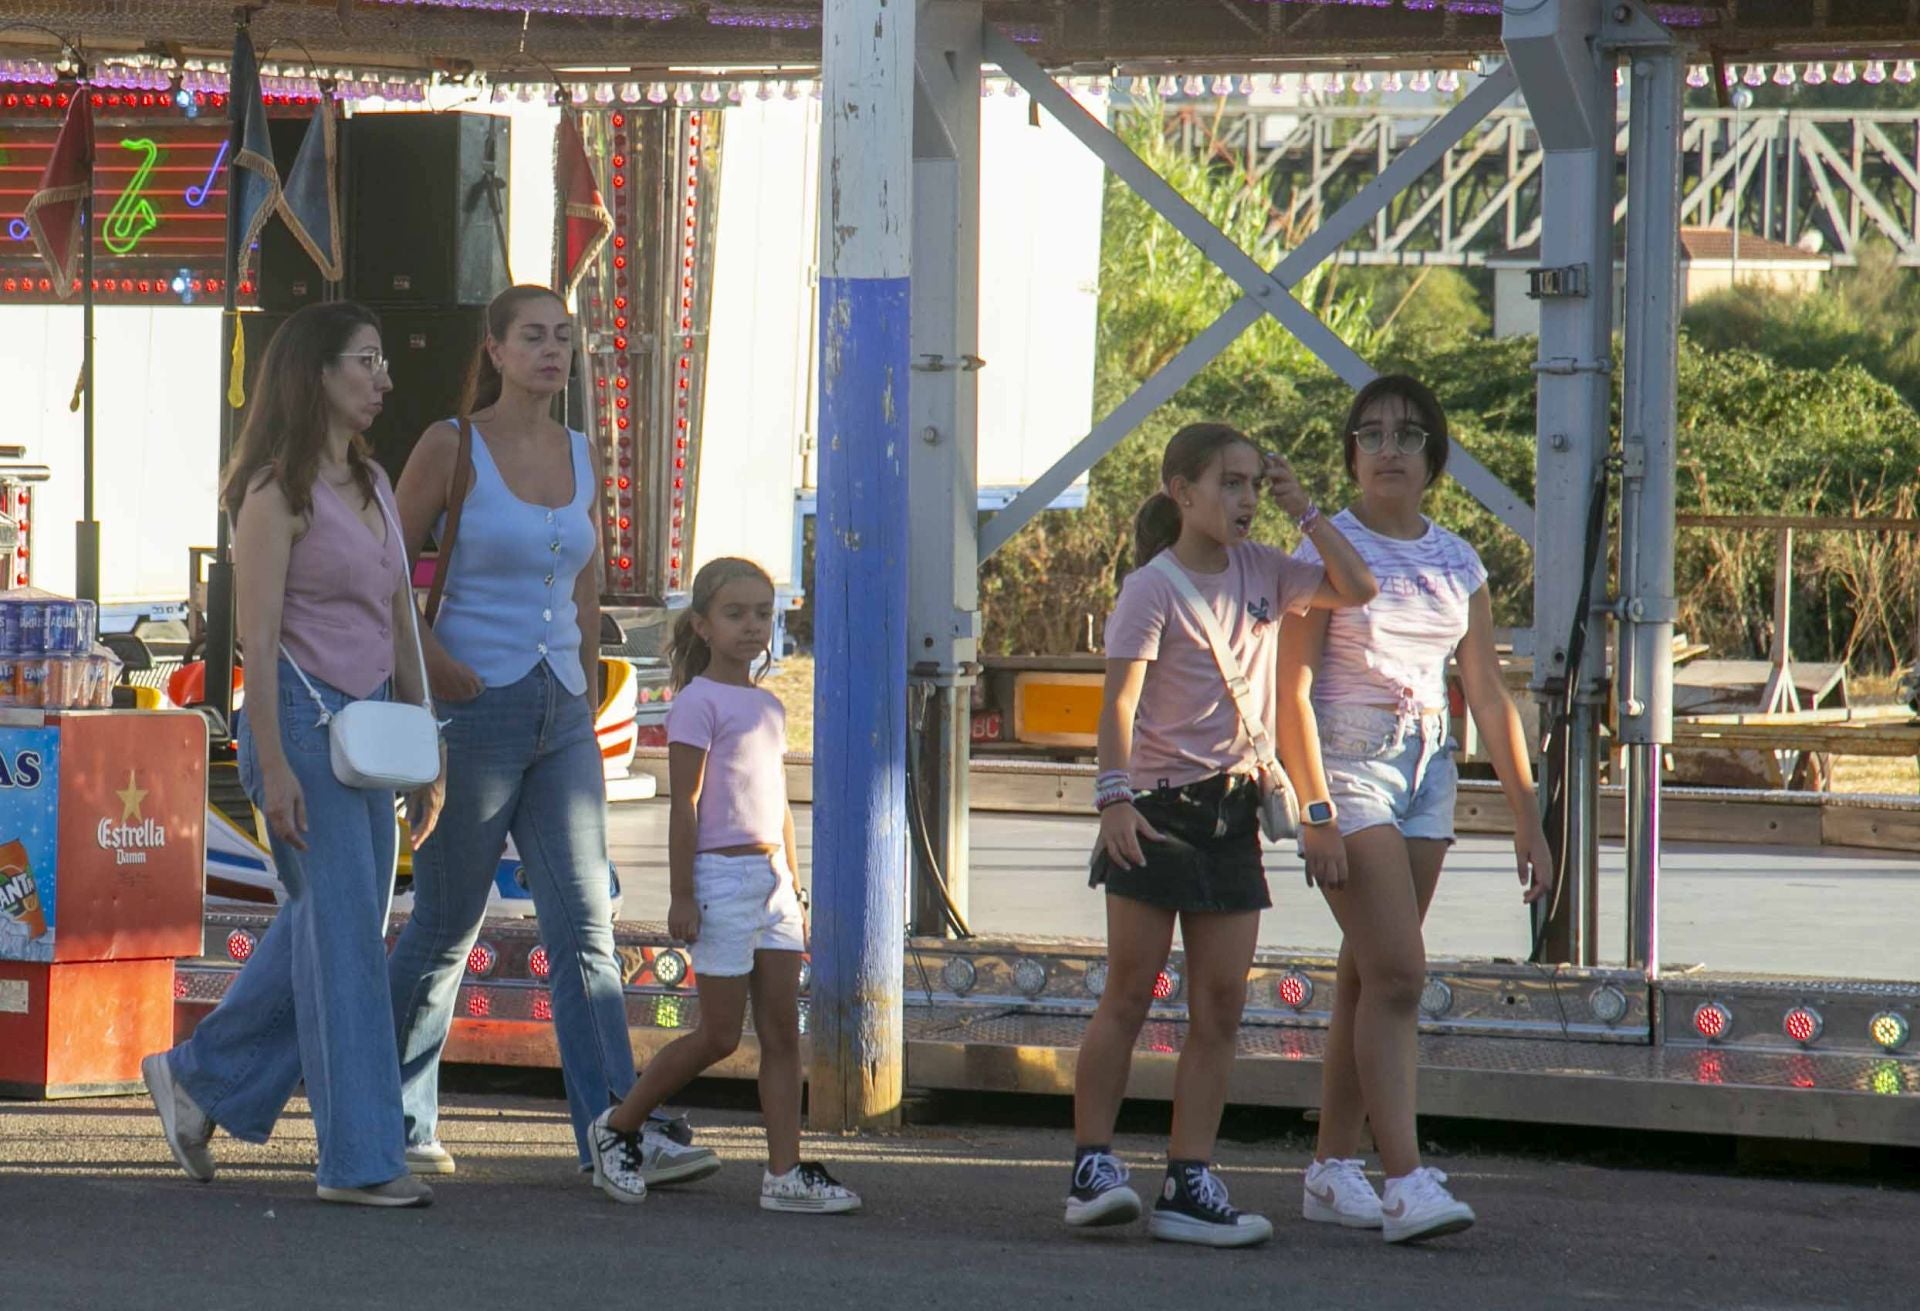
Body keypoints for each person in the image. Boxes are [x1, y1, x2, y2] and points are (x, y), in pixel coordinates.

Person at [386, 285, 709, 1183]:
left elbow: (583, 581)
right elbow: (383, 573)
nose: (552, 351)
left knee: (586, 925)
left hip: (561, 702)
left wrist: (596, 684)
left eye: (564, 337)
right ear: (493, 348)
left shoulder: (579, 448)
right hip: (472, 704)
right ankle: (389, 1111)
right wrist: (434, 659)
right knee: (447, 925)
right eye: (532, 336)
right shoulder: (450, 445)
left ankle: (615, 1128)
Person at [141, 300, 440, 1208]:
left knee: (329, 924)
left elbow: (399, 621)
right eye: (364, 360)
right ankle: (357, 1159)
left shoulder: (376, 481)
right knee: (346, 939)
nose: (383, 377)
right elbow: (256, 645)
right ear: (315, 373)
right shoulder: (274, 494)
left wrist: (428, 745)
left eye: (383, 359)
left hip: (378, 728)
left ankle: (200, 1076)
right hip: (307, 732)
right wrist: (268, 766)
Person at [1067, 422, 1376, 1247]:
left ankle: (1188, 1176)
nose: (1244, 500)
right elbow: (1119, 703)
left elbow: (1358, 585)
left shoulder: (1267, 568)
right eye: (1228, 484)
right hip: (1159, 810)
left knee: (1220, 1003)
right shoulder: (1152, 587)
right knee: (1130, 992)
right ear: (1183, 492)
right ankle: (1092, 1163)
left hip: (1234, 810)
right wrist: (1113, 799)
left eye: (1251, 483)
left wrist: (1305, 509)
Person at [1278, 375, 1552, 1243]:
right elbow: (1289, 686)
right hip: (1348, 766)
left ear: (1434, 456)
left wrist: (1527, 817)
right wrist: (1314, 805)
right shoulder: (1327, 549)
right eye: (1371, 434)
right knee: (1400, 972)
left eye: (1408, 434)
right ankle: (1406, 1180)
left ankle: (1331, 1167)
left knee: (1368, 971)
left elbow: (1487, 691)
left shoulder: (1457, 559)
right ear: (1351, 455)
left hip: (1430, 767)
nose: (1389, 447)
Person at [588, 557, 859, 1214]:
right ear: (703, 624)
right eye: (735, 614)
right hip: (719, 878)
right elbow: (686, 803)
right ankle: (618, 1126)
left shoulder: (768, 706)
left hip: (772, 884)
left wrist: (793, 885)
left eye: (763, 613)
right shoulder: (696, 702)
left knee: (781, 1035)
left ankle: (784, 1172)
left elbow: (779, 804)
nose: (752, 626)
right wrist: (682, 893)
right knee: (717, 1033)